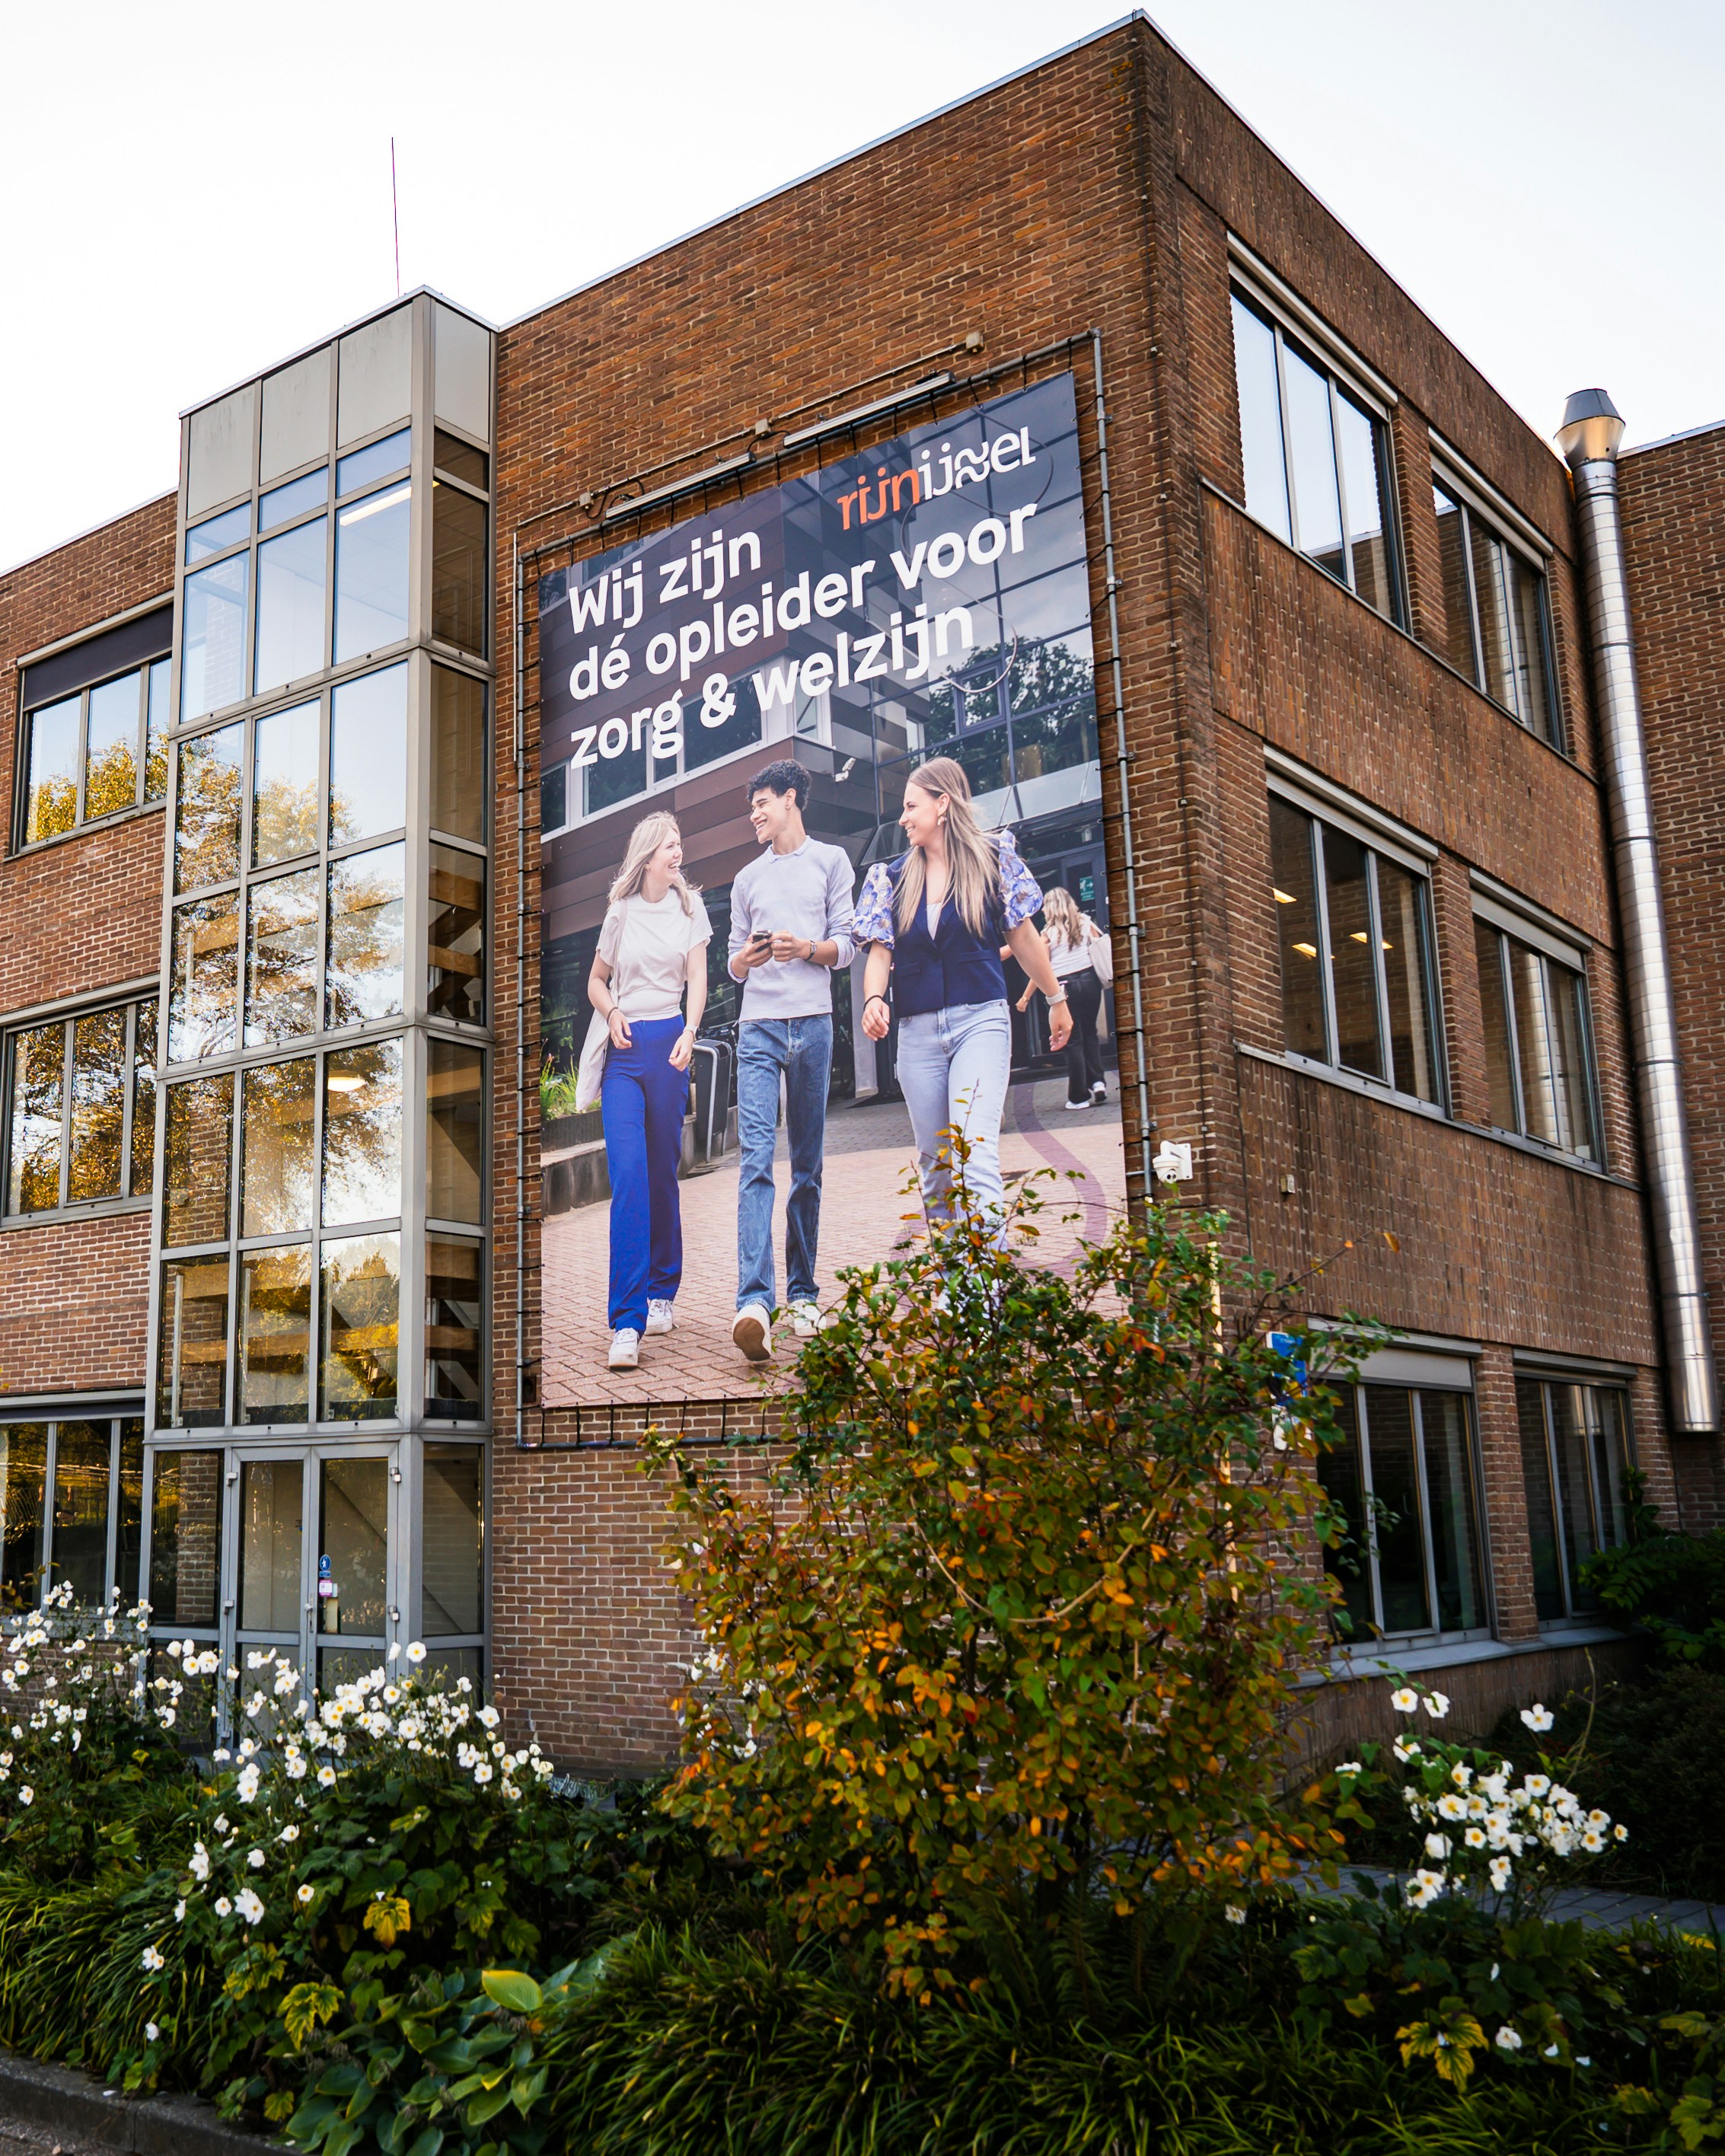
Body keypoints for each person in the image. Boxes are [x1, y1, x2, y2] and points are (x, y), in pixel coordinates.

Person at [856, 756, 1072, 1242]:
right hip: (916, 1033)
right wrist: (874, 998)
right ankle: (959, 1292)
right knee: (936, 1170)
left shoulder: (994, 859)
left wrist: (1056, 997)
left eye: (912, 806)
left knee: (974, 1154)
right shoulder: (890, 878)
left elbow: (1023, 936)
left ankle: (986, 1299)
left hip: (981, 1020)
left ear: (943, 804)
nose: (904, 817)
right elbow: (879, 952)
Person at [725, 759, 856, 1363]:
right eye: (751, 806)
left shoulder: (831, 862)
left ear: (792, 799)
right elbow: (731, 961)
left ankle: (803, 1292)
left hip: (813, 1025)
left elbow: (848, 946)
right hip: (757, 1029)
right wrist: (748, 960)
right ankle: (754, 1302)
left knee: (807, 1166)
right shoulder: (746, 878)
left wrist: (806, 948)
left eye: (762, 803)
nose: (754, 813)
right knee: (755, 1162)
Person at [586, 812, 710, 1371]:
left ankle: (664, 1291)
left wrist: (690, 1031)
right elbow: (595, 979)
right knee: (629, 1176)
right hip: (626, 1047)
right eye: (668, 844)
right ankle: (626, 1322)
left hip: (669, 1043)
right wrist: (611, 1011)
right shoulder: (621, 912)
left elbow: (699, 979)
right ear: (647, 854)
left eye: (680, 842)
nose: (677, 852)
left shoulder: (690, 908)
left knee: (662, 1173)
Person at [1038, 885, 1109, 1109]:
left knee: (1072, 1040)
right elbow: (1100, 943)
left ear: (1050, 907)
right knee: (1090, 1033)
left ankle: (1079, 1097)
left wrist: (1028, 995)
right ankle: (1098, 1083)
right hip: (1089, 981)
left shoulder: (1048, 933)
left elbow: (1041, 963)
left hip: (1064, 986)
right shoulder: (1085, 922)